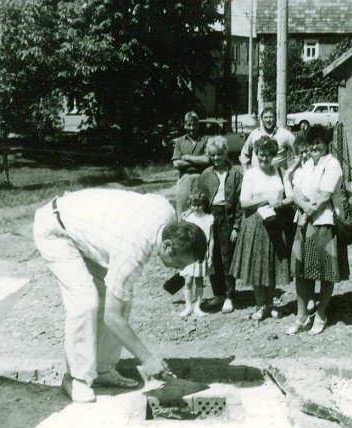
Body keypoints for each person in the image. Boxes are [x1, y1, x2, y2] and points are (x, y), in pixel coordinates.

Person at [33, 188, 207, 403]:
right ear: (167, 244)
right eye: (178, 263)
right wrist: (147, 359)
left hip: (87, 230)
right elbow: (112, 318)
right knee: (86, 302)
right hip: (56, 230)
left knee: (120, 298)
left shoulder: (167, 212)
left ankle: (102, 369)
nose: (178, 270)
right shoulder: (132, 253)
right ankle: (75, 378)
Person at [286, 125, 349, 336]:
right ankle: (301, 316)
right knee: (301, 272)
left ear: (326, 143)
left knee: (324, 272)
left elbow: (323, 197)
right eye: (311, 142)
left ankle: (321, 314)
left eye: (319, 142)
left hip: (323, 223)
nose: (315, 146)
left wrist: (306, 214)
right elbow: (295, 191)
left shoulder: (332, 165)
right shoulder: (306, 165)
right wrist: (303, 210)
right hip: (304, 223)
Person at [231, 136, 292, 321]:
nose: (264, 158)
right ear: (256, 155)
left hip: (276, 221)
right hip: (255, 224)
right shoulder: (250, 174)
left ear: (273, 155)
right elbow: (244, 202)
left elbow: (290, 197)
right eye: (260, 154)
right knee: (258, 266)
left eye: (267, 155)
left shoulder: (281, 173)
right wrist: (265, 201)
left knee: (273, 263)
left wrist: (279, 204)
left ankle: (271, 304)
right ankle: (259, 305)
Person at [198, 136, 243, 314]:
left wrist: (236, 227)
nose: (216, 158)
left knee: (226, 258)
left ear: (225, 153)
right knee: (212, 257)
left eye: (219, 154)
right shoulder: (206, 174)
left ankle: (229, 296)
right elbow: (200, 198)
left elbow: (240, 203)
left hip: (228, 217)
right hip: (210, 217)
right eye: (212, 155)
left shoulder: (235, 174)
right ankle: (218, 294)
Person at [178, 189, 214, 318]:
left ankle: (197, 306)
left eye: (199, 205)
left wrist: (210, 255)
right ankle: (188, 306)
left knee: (199, 280)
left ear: (204, 205)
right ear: (190, 204)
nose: (196, 208)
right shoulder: (188, 218)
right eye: (194, 204)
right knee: (188, 280)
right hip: (189, 253)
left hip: (201, 253)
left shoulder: (209, 219)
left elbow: (212, 239)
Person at [172, 111, 210, 217]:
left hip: (201, 179)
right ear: (185, 125)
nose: (192, 128)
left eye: (194, 124)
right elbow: (176, 163)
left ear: (198, 125)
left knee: (200, 211)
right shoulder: (179, 141)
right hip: (184, 179)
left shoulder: (205, 140)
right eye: (189, 125)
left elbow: (206, 160)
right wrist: (197, 161)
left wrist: (187, 157)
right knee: (183, 211)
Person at [239, 105, 295, 172]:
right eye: (265, 117)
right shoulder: (254, 134)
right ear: (261, 119)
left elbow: (299, 151)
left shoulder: (284, 134)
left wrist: (290, 171)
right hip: (257, 177)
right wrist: (246, 171)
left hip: (277, 178)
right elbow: (244, 154)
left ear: (276, 119)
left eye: (271, 117)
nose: (268, 120)